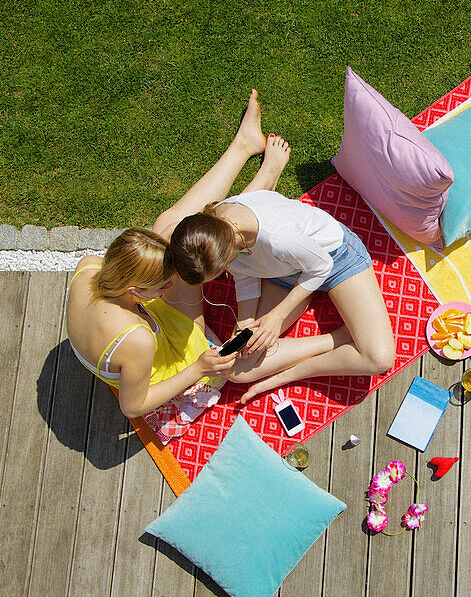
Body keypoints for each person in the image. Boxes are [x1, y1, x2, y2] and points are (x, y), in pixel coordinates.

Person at [67, 90, 346, 418]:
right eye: (162, 286)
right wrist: (198, 369)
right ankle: (337, 340)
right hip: (163, 356)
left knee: (168, 230)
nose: (169, 287)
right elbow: (132, 407)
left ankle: (245, 147)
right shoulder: (138, 341)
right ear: (135, 291)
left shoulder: (89, 267)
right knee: (235, 369)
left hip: (128, 334)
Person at [162, 152, 395, 407]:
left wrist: (277, 316)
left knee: (378, 358)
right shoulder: (217, 227)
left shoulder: (278, 236)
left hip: (335, 259)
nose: (226, 273)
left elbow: (320, 266)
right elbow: (245, 272)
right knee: (238, 369)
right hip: (282, 272)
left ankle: (290, 373)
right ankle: (337, 338)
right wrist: (245, 321)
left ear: (229, 245)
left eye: (221, 271)